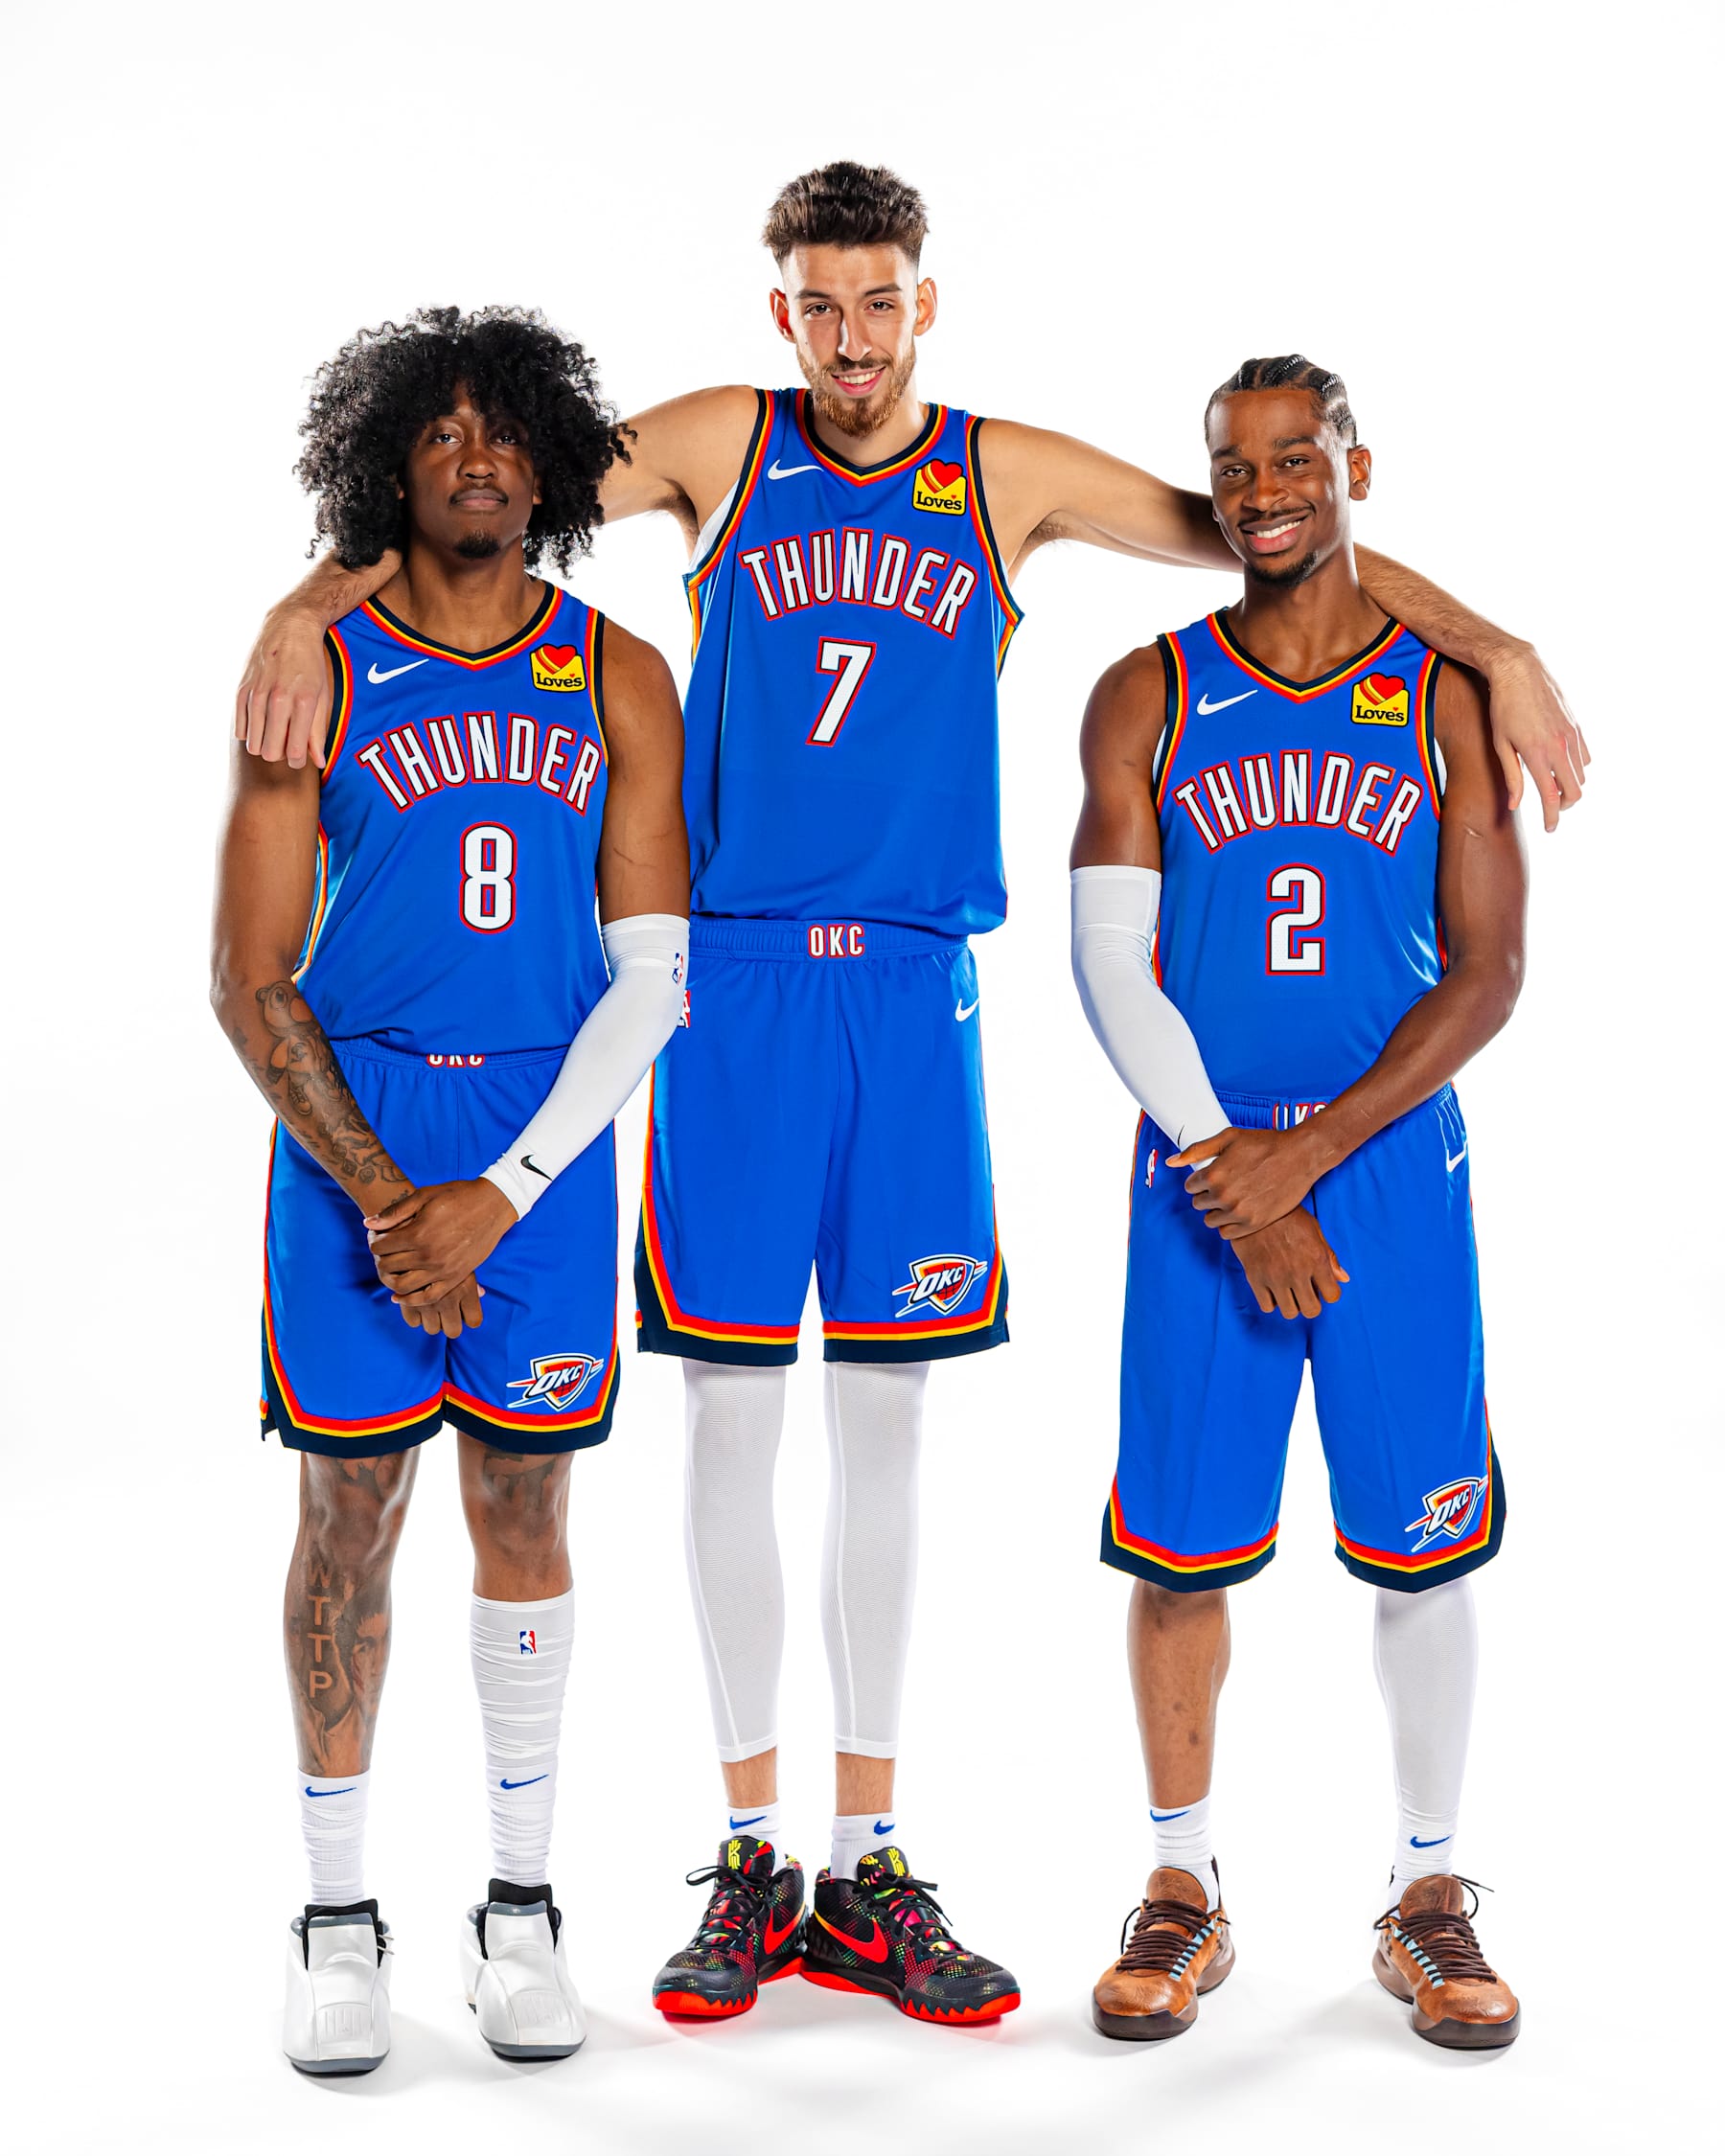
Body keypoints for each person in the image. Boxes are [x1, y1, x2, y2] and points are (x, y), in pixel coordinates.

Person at [228, 164, 1580, 2031]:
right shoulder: (725, 444)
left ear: (926, 303)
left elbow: (1266, 536)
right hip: (731, 985)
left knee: (885, 1426)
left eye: (880, 302)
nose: (851, 339)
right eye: (819, 304)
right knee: (726, 1415)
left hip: (920, 994)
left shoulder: (1000, 473)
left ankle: (867, 1857)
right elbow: (489, 499)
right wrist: (312, 601)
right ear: (779, 309)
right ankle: (748, 1849)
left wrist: (1494, 645)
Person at [211, 306, 689, 2072]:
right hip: (359, 1134)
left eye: (506, 434)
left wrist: (496, 1191)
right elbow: (250, 972)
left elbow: (651, 973)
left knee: (527, 1511)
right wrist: (388, 1193)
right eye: (442, 437)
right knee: (349, 1516)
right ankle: (337, 1910)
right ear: (389, 466)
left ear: (550, 462)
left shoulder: (616, 668)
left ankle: (520, 1903)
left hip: (545, 1140)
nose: (478, 458)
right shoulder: (315, 669)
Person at [1072, 355, 1526, 2050]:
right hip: (1202, 1162)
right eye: (1233, 463)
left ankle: (1428, 1891)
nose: (1263, 488)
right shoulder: (1146, 692)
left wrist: (1307, 1158)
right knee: (1180, 1552)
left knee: (1422, 1548)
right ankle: (1181, 1883)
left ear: (1353, 466)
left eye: (1294, 458)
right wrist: (1234, 1170)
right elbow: (1108, 963)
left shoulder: (1444, 695)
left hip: (1387, 1164)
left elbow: (1487, 978)